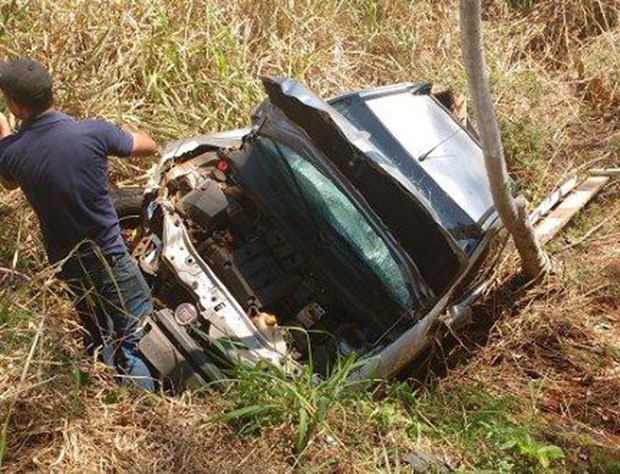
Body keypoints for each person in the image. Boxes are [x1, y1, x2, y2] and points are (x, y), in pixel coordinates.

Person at [0, 58, 158, 391]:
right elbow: (148, 146)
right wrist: (120, 133)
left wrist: (4, 135)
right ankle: (147, 406)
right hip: (110, 257)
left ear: (14, 106)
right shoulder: (93, 132)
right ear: (51, 93)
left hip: (67, 264)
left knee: (99, 333)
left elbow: (9, 183)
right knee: (140, 335)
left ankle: (106, 386)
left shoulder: (11, 152)